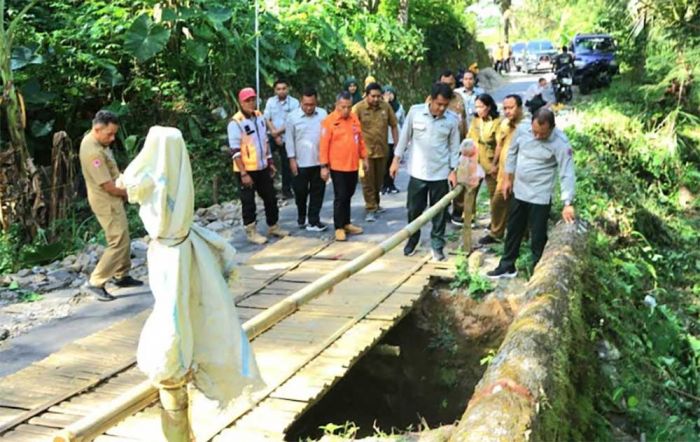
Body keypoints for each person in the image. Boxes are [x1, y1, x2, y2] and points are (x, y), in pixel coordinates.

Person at [120, 126, 262, 441]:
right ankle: (179, 362)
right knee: (181, 308)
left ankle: (175, 367)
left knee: (172, 313)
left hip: (167, 254)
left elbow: (126, 185)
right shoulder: (179, 177)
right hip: (179, 250)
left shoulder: (153, 179)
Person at [487, 108, 576, 279]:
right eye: (535, 132)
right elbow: (512, 152)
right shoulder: (522, 129)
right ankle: (507, 265)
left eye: (542, 134)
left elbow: (567, 172)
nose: (537, 136)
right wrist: (507, 178)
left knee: (537, 236)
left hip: (540, 195)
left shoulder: (560, 142)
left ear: (552, 128)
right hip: (519, 190)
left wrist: (568, 203)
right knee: (513, 229)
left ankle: (539, 272)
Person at [390, 83, 460, 262]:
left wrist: (453, 170)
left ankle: (437, 246)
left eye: (445, 105)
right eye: (439, 104)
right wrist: (395, 161)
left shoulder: (452, 120)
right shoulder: (415, 112)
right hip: (418, 173)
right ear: (431, 99)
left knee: (439, 213)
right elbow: (404, 137)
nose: (442, 108)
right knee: (414, 210)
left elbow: (454, 148)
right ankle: (412, 240)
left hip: (440, 174)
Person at [79, 110, 143, 302]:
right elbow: (107, 185)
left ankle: (121, 275)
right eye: (109, 134)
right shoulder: (92, 151)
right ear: (97, 129)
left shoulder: (99, 142)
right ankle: (96, 282)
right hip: (106, 200)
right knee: (117, 241)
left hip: (112, 198)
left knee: (123, 234)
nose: (113, 138)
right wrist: (133, 193)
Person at [229, 87, 289, 245]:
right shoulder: (236, 122)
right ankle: (251, 231)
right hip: (246, 169)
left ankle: (273, 225)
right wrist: (243, 173)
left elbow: (264, 141)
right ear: (241, 102)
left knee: (270, 197)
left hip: (262, 166)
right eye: (247, 100)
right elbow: (235, 151)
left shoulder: (260, 116)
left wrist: (269, 161)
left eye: (252, 99)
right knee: (248, 201)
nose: (250, 103)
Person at [320, 91, 369, 241]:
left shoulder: (354, 118)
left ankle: (347, 222)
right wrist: (324, 166)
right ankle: (339, 227)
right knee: (340, 196)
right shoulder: (329, 121)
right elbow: (323, 145)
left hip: (353, 165)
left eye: (349, 107)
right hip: (337, 166)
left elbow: (359, 139)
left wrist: (365, 157)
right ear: (337, 105)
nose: (346, 110)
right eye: (343, 107)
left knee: (349, 194)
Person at [479, 94, 526, 245]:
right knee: (498, 202)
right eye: (505, 108)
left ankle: (524, 236)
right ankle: (496, 233)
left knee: (520, 205)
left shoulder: (527, 126)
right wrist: (494, 163)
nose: (507, 111)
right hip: (504, 173)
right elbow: (499, 144)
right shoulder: (505, 124)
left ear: (519, 108)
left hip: (521, 174)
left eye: (510, 108)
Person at [353, 82, 399, 222]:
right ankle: (370, 208)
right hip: (365, 153)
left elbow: (394, 125)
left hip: (382, 150)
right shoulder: (358, 109)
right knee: (367, 181)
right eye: (373, 96)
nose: (376, 99)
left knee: (378, 181)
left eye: (379, 96)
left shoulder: (386, 107)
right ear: (366, 95)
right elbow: (351, 129)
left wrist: (397, 146)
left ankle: (376, 204)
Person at [285, 87, 328, 232]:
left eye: (312, 104)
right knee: (300, 192)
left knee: (318, 192)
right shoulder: (292, 117)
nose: (309, 108)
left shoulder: (323, 115)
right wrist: (291, 160)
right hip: (300, 163)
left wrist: (326, 163)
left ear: (316, 102)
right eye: (306, 104)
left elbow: (326, 138)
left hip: (318, 161)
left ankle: (314, 220)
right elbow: (289, 140)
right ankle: (301, 216)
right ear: (301, 102)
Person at [463, 93, 501, 233]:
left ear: (489, 106)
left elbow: (499, 144)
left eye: (481, 106)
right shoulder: (475, 121)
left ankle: (495, 224)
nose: (478, 109)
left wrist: (495, 164)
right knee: (470, 190)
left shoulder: (497, 122)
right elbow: (469, 138)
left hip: (490, 162)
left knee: (494, 195)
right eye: (476, 106)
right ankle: (469, 219)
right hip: (475, 160)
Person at [451, 70, 484, 225]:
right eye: (465, 78)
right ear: (462, 80)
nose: (468, 81)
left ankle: (470, 213)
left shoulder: (480, 93)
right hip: (461, 138)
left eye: (471, 79)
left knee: (474, 178)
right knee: (460, 176)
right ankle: (458, 211)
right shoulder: (456, 95)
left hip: (476, 138)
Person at [263, 79, 299, 199]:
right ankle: (268, 189)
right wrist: (275, 134)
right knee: (264, 157)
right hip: (272, 135)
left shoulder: (294, 103)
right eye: (278, 89)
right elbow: (267, 118)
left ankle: (286, 190)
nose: (281, 91)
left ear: (287, 89)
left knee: (286, 163)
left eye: (283, 88)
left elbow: (292, 121)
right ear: (275, 90)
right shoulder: (270, 102)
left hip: (287, 136)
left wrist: (278, 133)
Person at [381, 85, 405, 195]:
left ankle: (391, 184)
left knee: (393, 162)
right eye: (386, 93)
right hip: (384, 138)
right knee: (384, 163)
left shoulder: (399, 107)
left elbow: (402, 122)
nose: (389, 96)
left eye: (391, 93)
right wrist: (385, 103)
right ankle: (383, 185)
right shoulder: (381, 107)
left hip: (395, 138)